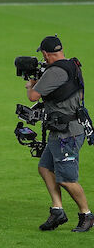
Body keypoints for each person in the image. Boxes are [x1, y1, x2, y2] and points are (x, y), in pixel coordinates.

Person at [26, 35, 94, 232]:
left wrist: (32, 80)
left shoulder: (54, 72)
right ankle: (58, 211)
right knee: (45, 168)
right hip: (62, 129)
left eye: (44, 55)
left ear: (46, 54)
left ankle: (87, 215)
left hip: (68, 133)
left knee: (66, 179)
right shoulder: (71, 64)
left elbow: (33, 95)